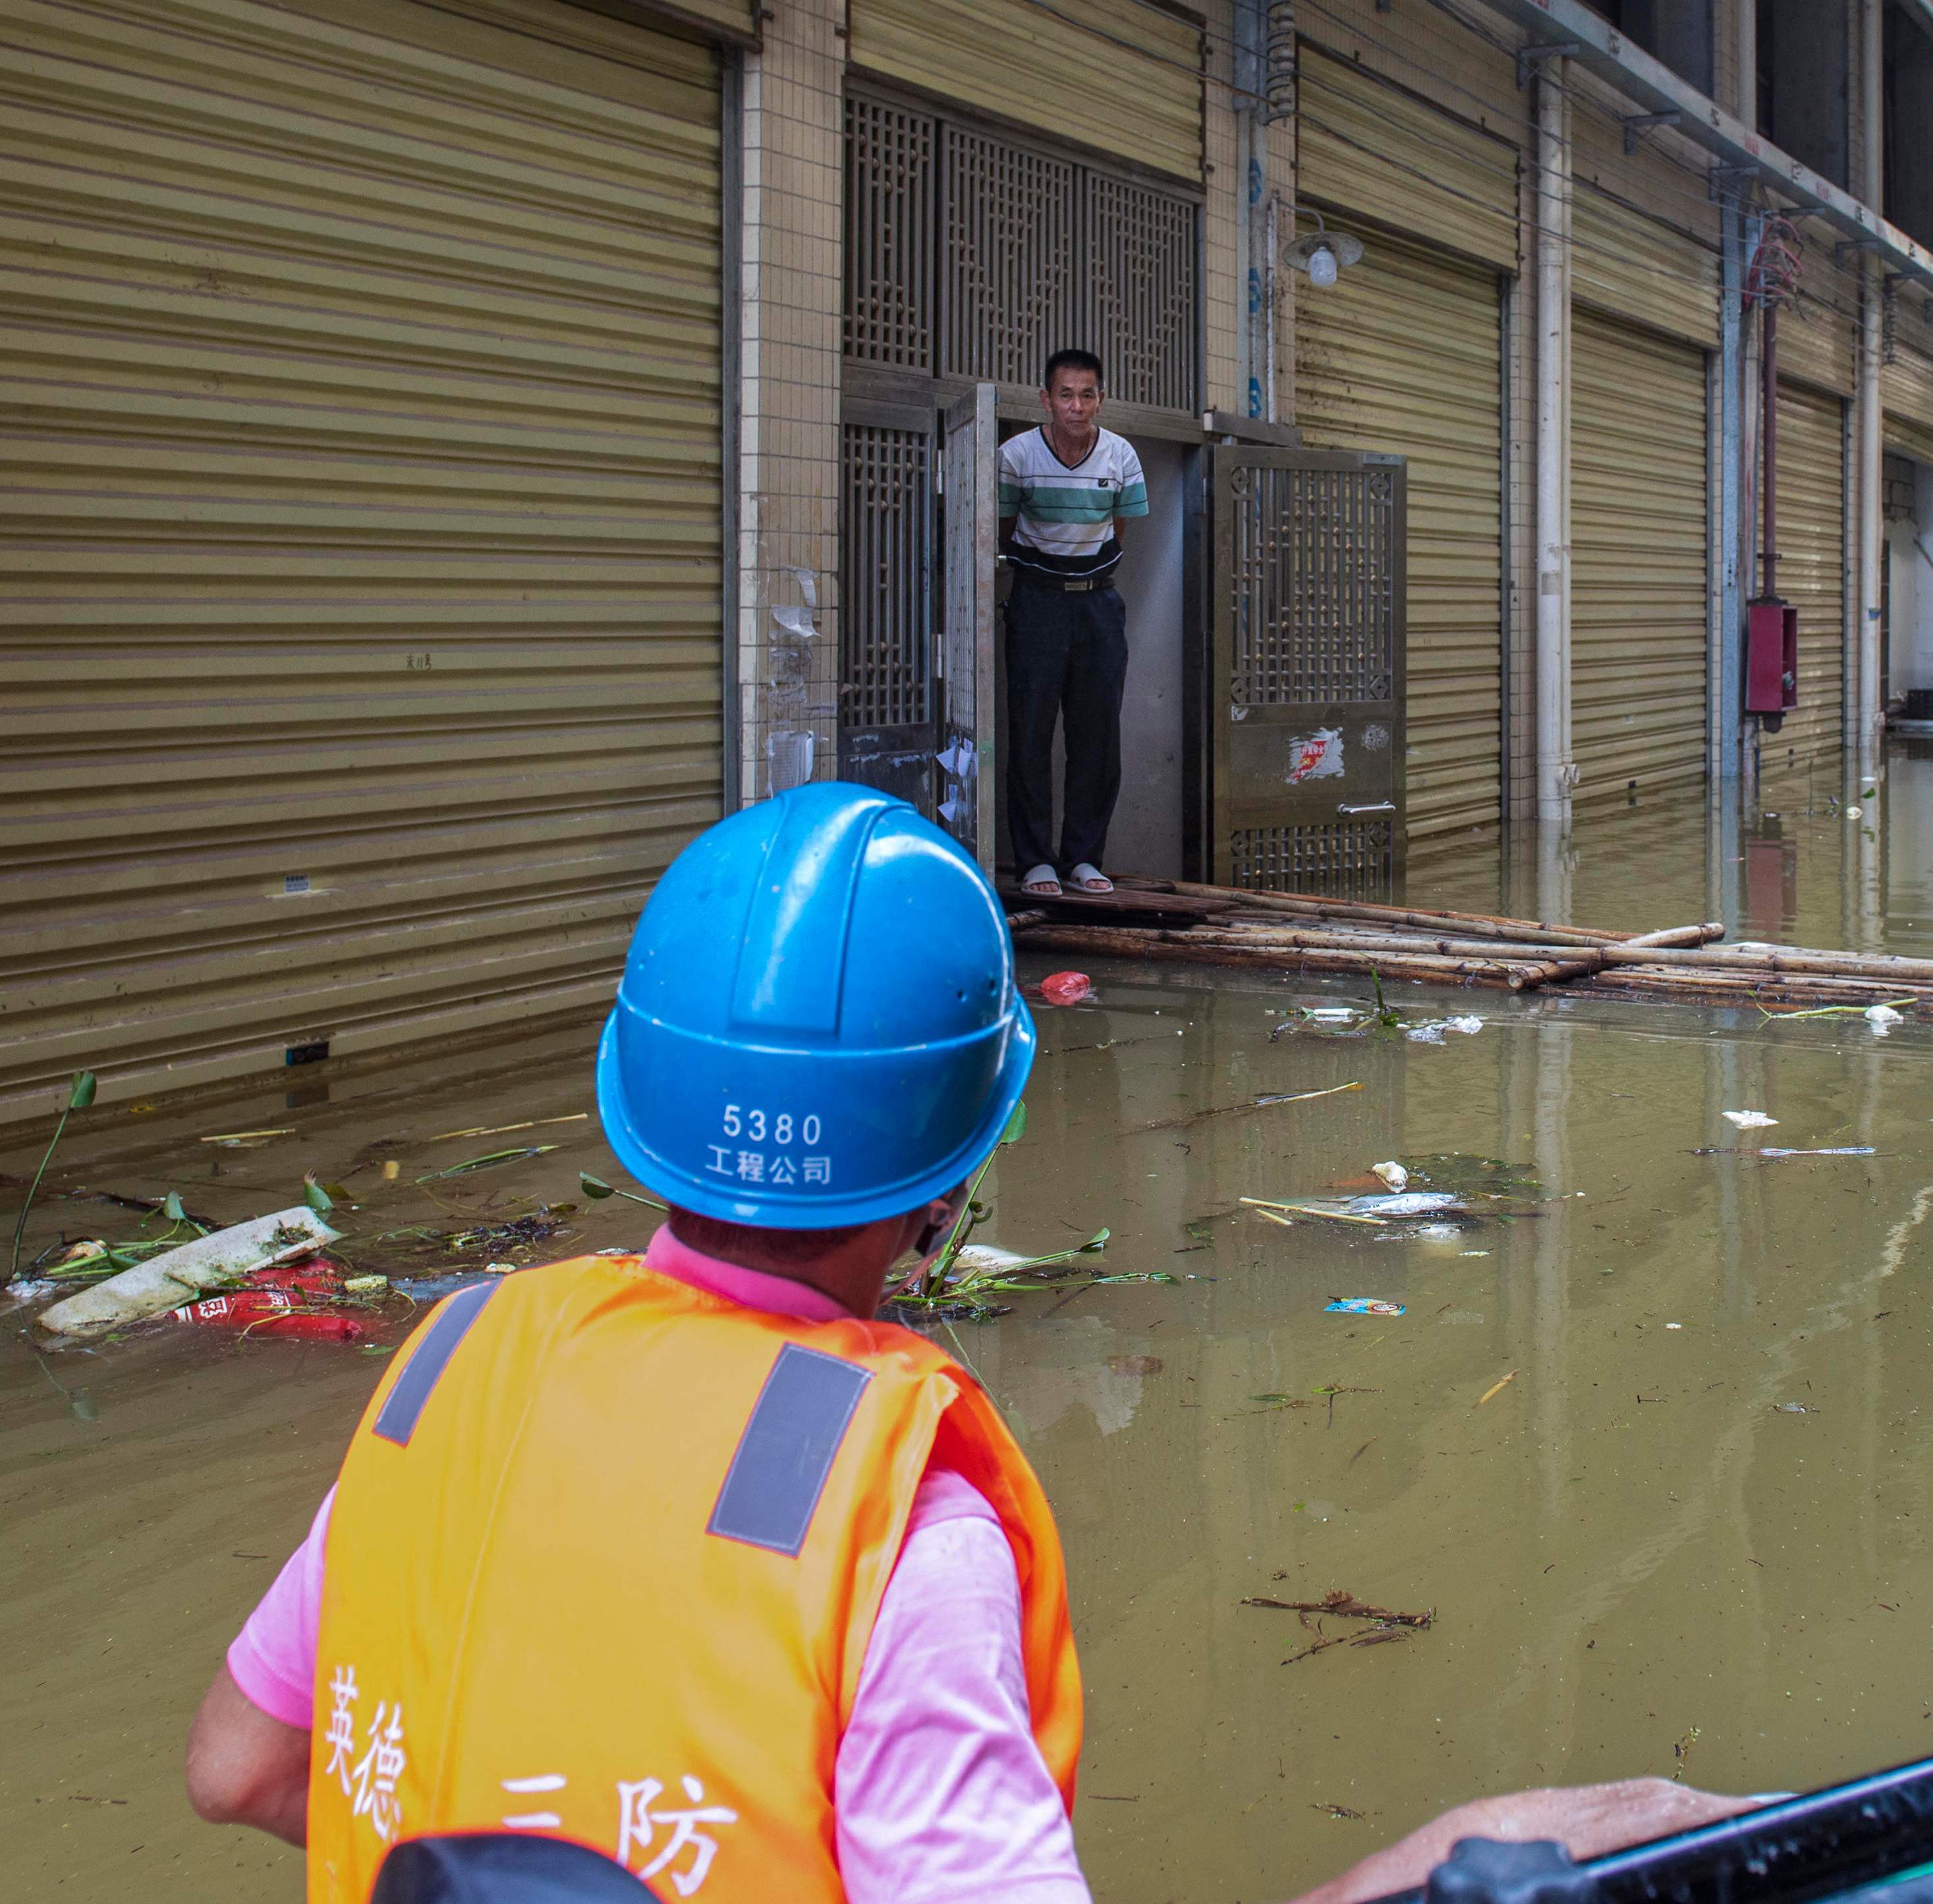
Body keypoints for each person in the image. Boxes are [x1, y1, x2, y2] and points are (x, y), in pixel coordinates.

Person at [183, 783, 1747, 1901]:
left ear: (637, 1103)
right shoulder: (888, 1523)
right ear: (948, 1172)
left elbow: (241, 1767)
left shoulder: (460, 1361)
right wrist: (1447, 1855)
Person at [1000, 348, 1145, 901]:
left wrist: (1087, 577)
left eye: (1088, 395)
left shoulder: (1121, 455)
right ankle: (1035, 860)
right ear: (1046, 399)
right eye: (1066, 394)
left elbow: (1120, 529)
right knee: (1031, 734)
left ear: (1100, 399)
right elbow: (1005, 525)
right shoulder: (1015, 455)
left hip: (1099, 607)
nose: (1077, 406)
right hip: (1037, 604)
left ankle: (1083, 857)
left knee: (1097, 738)